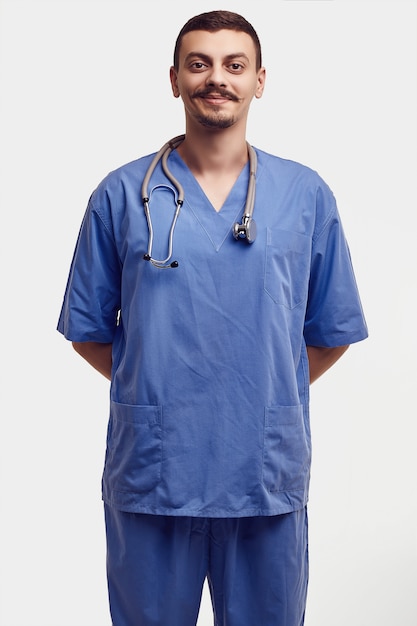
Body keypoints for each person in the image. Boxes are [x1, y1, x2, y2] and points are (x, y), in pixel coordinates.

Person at [57, 10, 368, 626]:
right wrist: (163, 389)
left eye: (234, 65)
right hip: (154, 470)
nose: (215, 78)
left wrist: (258, 392)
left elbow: (330, 332)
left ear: (259, 80)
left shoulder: (305, 195)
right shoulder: (122, 195)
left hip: (263, 470)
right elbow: (89, 330)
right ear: (174, 79)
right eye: (198, 64)